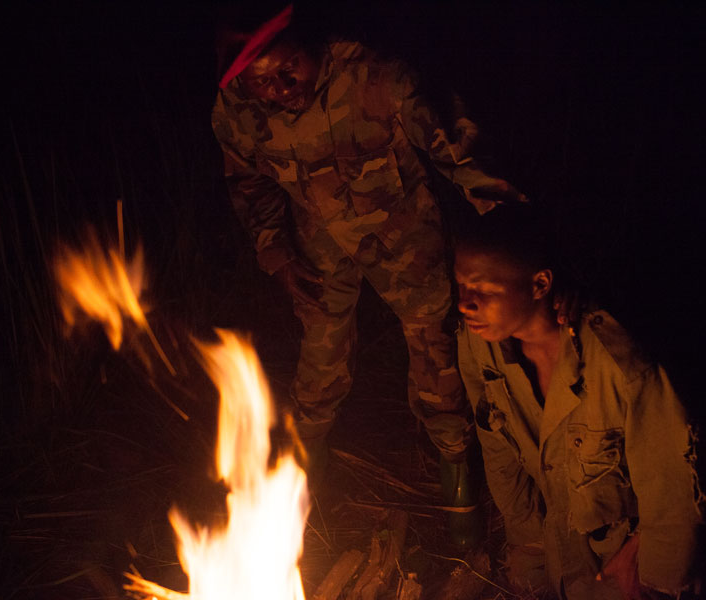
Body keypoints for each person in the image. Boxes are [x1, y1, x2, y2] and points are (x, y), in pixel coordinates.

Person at [210, 4, 524, 543]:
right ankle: (296, 496)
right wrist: (277, 255)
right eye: (261, 82)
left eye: (290, 69)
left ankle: (461, 505)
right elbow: (250, 187)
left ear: (308, 46)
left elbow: (458, 152)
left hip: (406, 237)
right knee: (320, 357)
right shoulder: (237, 111)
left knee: (436, 359)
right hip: (319, 245)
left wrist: (513, 221)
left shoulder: (376, 79)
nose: (280, 88)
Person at [454, 205, 706, 598]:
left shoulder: (619, 364)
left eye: (485, 291)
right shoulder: (480, 345)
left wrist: (654, 572)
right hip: (551, 541)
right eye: (462, 288)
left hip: (618, 552)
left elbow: (671, 485)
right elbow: (496, 443)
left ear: (540, 284)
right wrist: (525, 538)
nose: (466, 304)